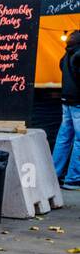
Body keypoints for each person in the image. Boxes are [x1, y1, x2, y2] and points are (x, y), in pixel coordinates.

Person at [53, 30, 80, 190]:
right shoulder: (78, 55)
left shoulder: (66, 55)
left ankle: (53, 174)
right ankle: (73, 179)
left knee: (64, 138)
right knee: (79, 140)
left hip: (66, 100)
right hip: (77, 102)